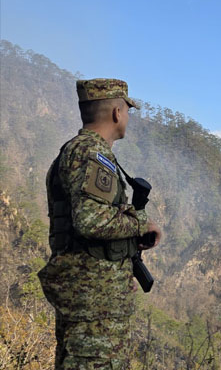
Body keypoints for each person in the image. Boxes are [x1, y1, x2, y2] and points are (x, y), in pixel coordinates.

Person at [37, 78, 163, 369]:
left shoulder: (83, 151)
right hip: (93, 305)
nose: (128, 118)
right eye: (128, 111)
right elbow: (91, 220)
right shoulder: (90, 152)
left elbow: (92, 218)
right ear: (117, 112)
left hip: (95, 298)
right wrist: (142, 223)